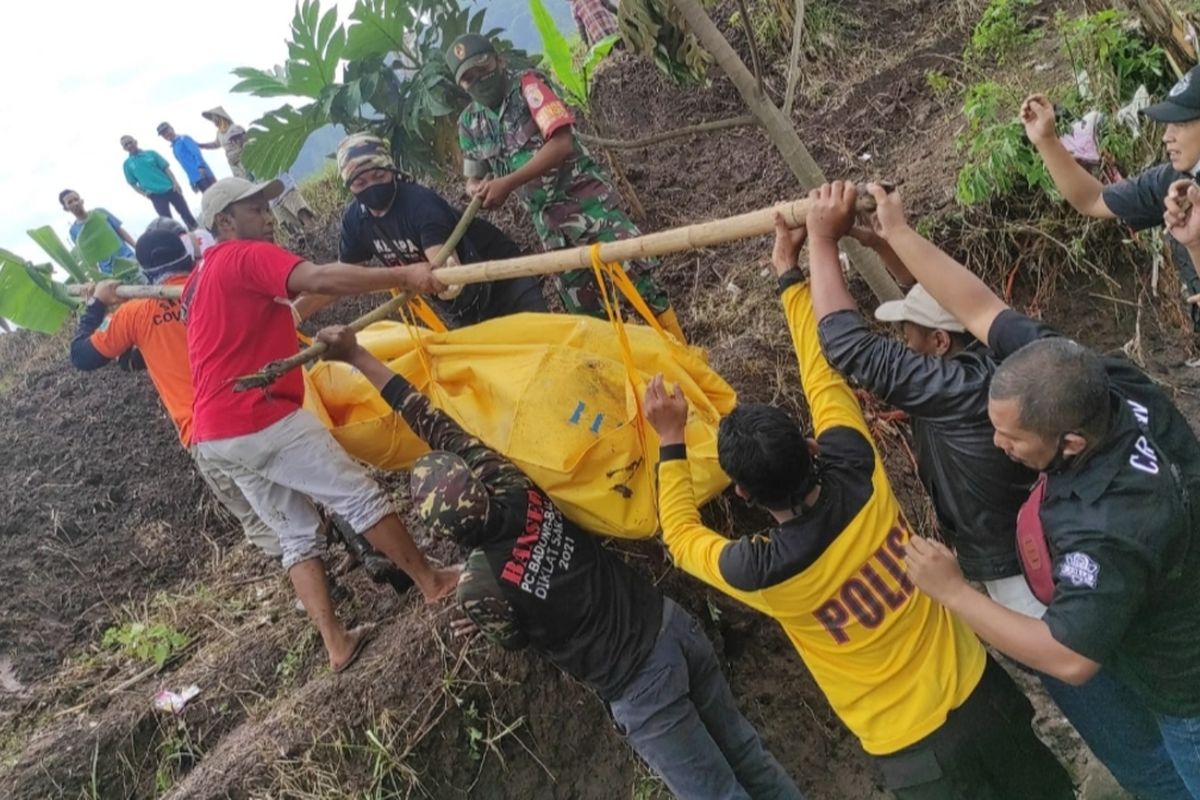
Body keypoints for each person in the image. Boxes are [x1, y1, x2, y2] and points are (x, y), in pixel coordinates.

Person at [641, 191, 1076, 799]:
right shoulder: (857, 464)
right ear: (811, 445)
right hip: (981, 693)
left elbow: (681, 538)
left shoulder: (759, 570)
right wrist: (789, 277)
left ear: (741, 493)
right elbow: (822, 371)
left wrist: (669, 442)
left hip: (911, 754)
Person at [810, 181, 1193, 800]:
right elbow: (980, 307)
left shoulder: (1100, 522)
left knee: (1132, 737)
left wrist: (818, 244)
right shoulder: (1072, 378)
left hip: (1145, 659)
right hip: (1137, 595)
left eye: (1012, 440)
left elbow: (850, 349)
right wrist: (894, 238)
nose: (998, 443)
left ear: (1067, 443)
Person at [315, 323, 802, 800]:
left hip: (638, 688)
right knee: (746, 752)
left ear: (439, 530)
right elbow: (427, 416)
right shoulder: (513, 485)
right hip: (671, 627)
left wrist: (478, 609)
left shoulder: (482, 588)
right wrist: (357, 356)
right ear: (474, 476)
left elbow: (513, 638)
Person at [183, 176, 458, 671]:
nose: (268, 217)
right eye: (255, 210)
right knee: (356, 496)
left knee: (295, 533)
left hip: (217, 435)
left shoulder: (201, 277)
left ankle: (337, 643)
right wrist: (405, 275)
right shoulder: (243, 255)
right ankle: (432, 582)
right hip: (259, 417)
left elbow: (266, 322)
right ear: (226, 222)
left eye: (267, 208)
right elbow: (321, 279)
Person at [446, 34, 685, 342]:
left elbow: (561, 143)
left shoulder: (529, 87)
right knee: (586, 307)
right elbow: (473, 177)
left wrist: (508, 182)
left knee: (638, 279)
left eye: (483, 68)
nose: (479, 80)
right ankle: (629, 370)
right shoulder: (470, 123)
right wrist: (478, 190)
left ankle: (684, 355)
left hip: (588, 204)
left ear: (499, 60)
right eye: (469, 78)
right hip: (550, 227)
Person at [68, 229, 284, 563]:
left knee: (261, 521)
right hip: (264, 407)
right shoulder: (216, 287)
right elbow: (137, 359)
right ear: (187, 254)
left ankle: (314, 586)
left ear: (143, 270)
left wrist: (95, 306)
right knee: (297, 494)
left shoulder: (136, 314)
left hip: (206, 432)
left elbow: (83, 356)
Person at [1021, 64, 1200, 347]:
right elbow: (1093, 200)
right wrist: (1046, 141)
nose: (1167, 136)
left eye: (1180, 123)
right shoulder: (1175, 180)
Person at [313, 133, 547, 327]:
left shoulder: (420, 205)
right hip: (461, 307)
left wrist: (414, 277)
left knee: (543, 341)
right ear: (350, 188)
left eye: (378, 175)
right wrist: (294, 314)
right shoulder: (356, 221)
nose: (371, 186)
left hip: (504, 276)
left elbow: (446, 272)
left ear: (391, 170)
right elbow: (342, 279)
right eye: (360, 183)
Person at [120, 135, 198, 230]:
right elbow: (132, 183)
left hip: (170, 188)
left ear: (135, 141)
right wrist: (144, 193)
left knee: (186, 213)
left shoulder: (151, 153)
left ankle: (198, 234)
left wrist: (175, 183)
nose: (129, 145)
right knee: (167, 222)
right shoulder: (127, 164)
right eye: (125, 145)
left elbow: (166, 169)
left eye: (130, 142)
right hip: (155, 195)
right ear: (124, 148)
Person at [59, 190, 136, 274]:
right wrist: (98, 277)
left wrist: (137, 247)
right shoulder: (74, 231)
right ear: (66, 208)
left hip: (129, 258)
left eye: (76, 199)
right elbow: (88, 257)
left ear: (82, 201)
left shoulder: (100, 212)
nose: (75, 203)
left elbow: (120, 231)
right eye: (70, 202)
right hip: (109, 271)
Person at [157, 122, 216, 193]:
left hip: (204, 175)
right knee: (211, 201)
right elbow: (185, 167)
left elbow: (196, 153)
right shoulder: (174, 148)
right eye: (163, 134)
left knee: (219, 197)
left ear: (172, 128)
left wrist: (201, 166)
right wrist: (192, 181)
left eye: (166, 131)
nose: (166, 134)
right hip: (196, 179)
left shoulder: (184, 138)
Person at [199, 106, 250, 179]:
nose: (214, 122)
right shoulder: (219, 133)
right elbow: (216, 144)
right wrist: (202, 145)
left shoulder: (235, 128)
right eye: (213, 120)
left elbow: (246, 142)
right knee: (243, 181)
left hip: (242, 160)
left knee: (251, 178)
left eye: (215, 119)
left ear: (220, 118)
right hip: (232, 163)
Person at [270, 172, 318, 238]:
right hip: (272, 201)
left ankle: (320, 237)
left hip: (286, 188)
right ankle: (311, 246)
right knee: (293, 231)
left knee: (304, 217)